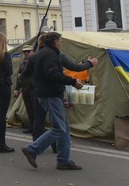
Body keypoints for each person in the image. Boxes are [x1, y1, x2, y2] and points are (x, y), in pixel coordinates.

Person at [21, 31, 95, 171]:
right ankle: (32, 149)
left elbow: (27, 76)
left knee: (64, 128)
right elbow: (52, 74)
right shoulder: (50, 55)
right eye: (60, 41)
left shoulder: (43, 54)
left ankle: (63, 160)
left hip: (44, 93)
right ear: (55, 41)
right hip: (50, 94)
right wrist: (73, 81)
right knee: (59, 128)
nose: (61, 43)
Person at [13, 47, 34, 134]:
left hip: (34, 88)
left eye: (28, 51)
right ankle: (32, 126)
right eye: (25, 52)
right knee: (29, 109)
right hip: (26, 89)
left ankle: (37, 127)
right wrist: (17, 89)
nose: (26, 53)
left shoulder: (35, 62)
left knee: (35, 109)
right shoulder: (23, 64)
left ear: (33, 51)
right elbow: (19, 78)